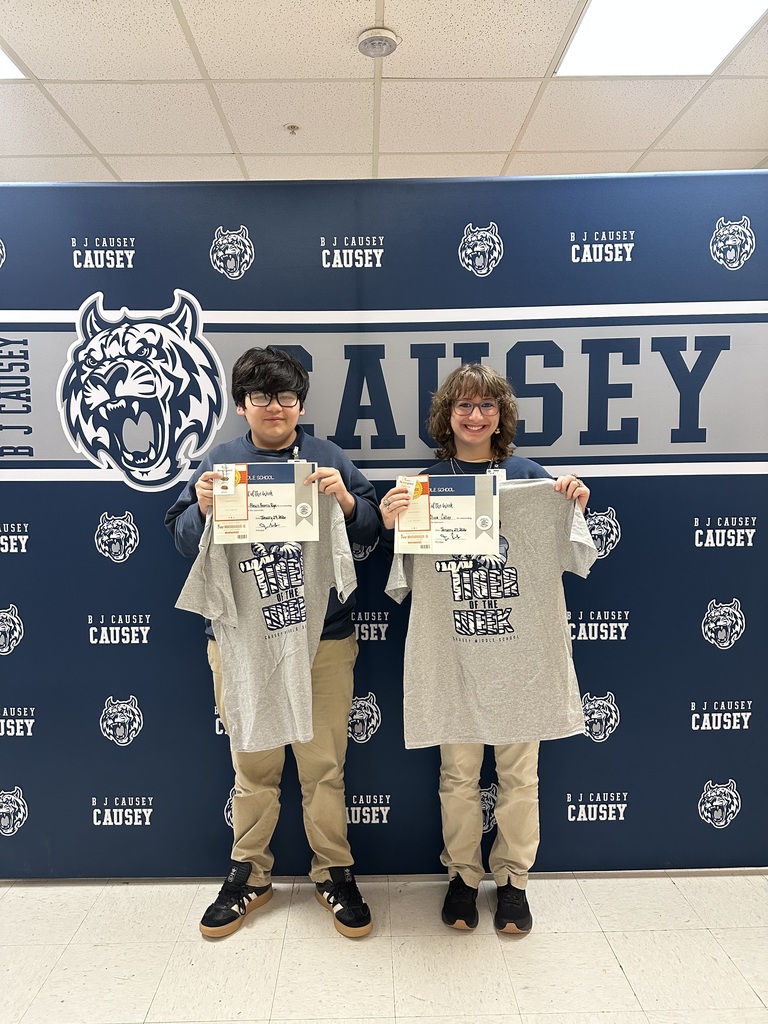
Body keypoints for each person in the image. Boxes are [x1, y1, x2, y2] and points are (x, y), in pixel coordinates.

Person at [165, 346, 382, 940]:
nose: (275, 407)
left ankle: (333, 870)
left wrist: (344, 499)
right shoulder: (221, 462)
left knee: (323, 766)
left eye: (286, 397)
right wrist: (204, 509)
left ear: (301, 404)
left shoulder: (327, 457)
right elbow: (185, 541)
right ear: (242, 406)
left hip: (323, 637)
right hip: (243, 640)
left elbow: (370, 527)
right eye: (261, 397)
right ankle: (250, 874)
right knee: (253, 763)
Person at [379, 363, 593, 935]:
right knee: (458, 774)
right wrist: (391, 519)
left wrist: (572, 501)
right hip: (453, 657)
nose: (476, 416)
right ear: (446, 415)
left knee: (521, 776)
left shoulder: (530, 478)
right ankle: (463, 876)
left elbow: (576, 553)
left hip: (521, 657)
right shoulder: (423, 485)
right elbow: (399, 576)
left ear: (502, 415)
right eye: (464, 406)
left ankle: (515, 881)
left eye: (487, 406)